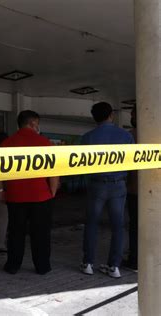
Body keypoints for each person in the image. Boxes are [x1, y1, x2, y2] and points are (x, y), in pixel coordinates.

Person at [0, 110, 59, 275]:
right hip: (40, 196)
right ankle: (42, 267)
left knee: (15, 233)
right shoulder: (45, 142)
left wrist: (1, 190)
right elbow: (53, 171)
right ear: (33, 123)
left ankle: (13, 265)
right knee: (40, 234)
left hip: (15, 196)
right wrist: (52, 191)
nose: (38, 127)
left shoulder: (6, 143)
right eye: (37, 124)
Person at [80, 102, 134, 278]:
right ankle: (114, 267)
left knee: (92, 223)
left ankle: (88, 263)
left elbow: (82, 164)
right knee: (118, 226)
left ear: (94, 117)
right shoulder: (125, 136)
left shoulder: (87, 137)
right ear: (111, 114)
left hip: (96, 184)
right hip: (118, 184)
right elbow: (132, 162)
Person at [123, 107, 138, 271]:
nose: (131, 117)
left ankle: (135, 260)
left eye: (132, 114)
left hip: (134, 189)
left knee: (135, 226)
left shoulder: (129, 136)